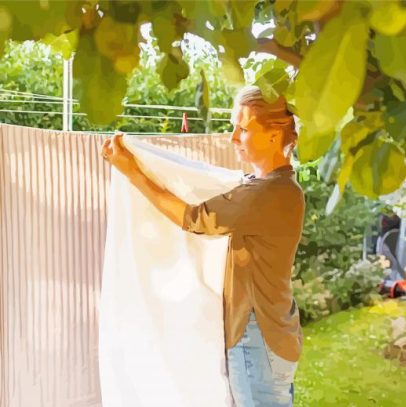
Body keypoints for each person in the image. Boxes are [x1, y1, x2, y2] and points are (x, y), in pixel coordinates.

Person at [101, 85, 305, 406]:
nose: (233, 138)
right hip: (273, 332)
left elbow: (192, 218)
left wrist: (133, 171)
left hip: (258, 337)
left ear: (273, 134)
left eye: (243, 128)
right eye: (233, 127)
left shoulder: (267, 194)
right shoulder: (274, 187)